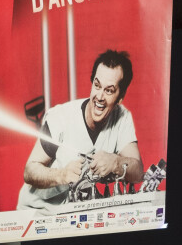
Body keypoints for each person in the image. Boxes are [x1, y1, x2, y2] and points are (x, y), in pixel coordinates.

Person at [17, 49, 143, 211]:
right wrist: (61, 175)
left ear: (121, 96)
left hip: (74, 213)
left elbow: (138, 171)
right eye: (97, 86)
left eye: (109, 90)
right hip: (36, 211)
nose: (100, 97)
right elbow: (30, 170)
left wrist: (116, 162)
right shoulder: (61, 117)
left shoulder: (122, 118)